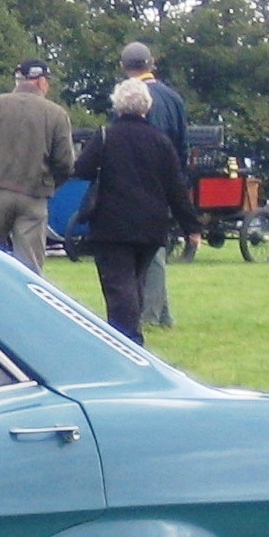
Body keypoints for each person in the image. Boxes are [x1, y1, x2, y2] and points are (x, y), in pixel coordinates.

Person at [71, 77, 201, 345]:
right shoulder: (161, 142)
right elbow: (176, 188)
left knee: (119, 287)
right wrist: (192, 228)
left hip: (112, 225)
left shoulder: (106, 137)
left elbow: (81, 170)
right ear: (147, 107)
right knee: (135, 283)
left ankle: (128, 341)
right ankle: (130, 336)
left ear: (117, 106)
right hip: (151, 227)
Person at [0, 59, 75, 274]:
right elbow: (65, 162)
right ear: (41, 81)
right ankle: (24, 306)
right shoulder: (56, 114)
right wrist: (51, 183)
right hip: (33, 194)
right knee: (29, 267)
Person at [121, 42, 187, 328]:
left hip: (136, 180)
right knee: (155, 246)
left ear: (124, 67)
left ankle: (149, 314)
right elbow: (182, 145)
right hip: (166, 180)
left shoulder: (128, 96)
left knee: (151, 251)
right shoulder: (173, 98)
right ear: (152, 63)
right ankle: (163, 315)